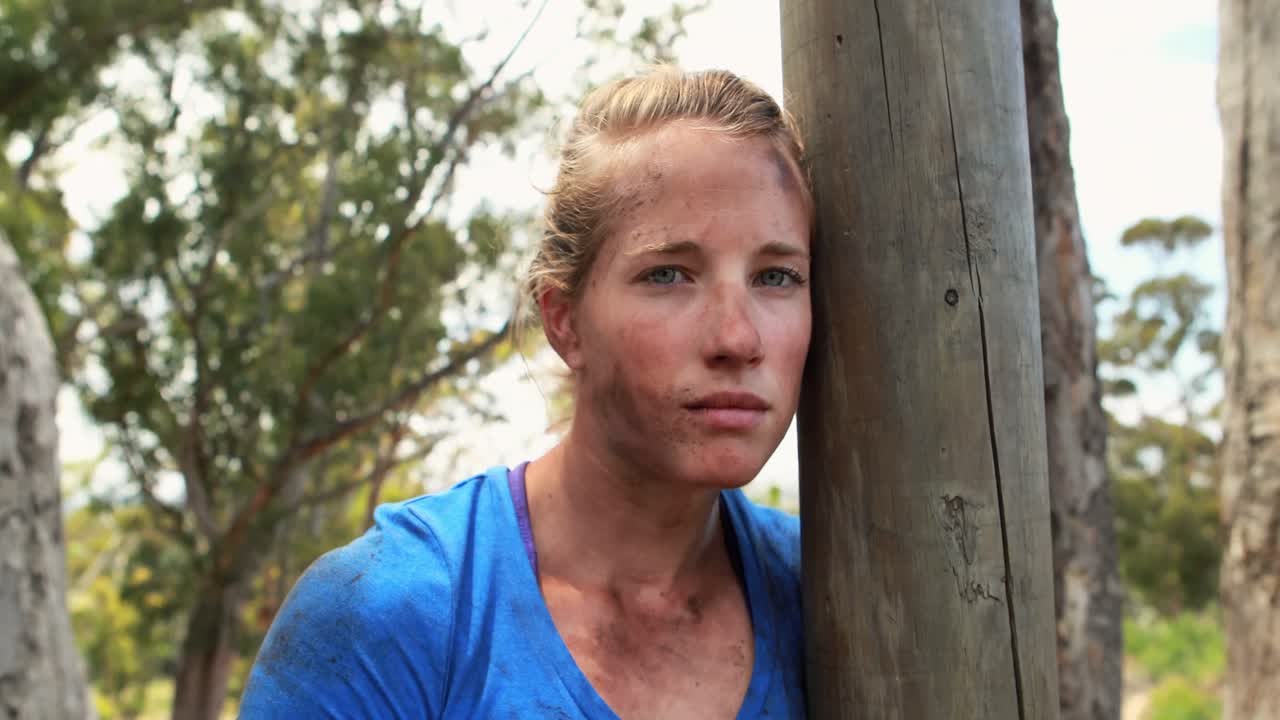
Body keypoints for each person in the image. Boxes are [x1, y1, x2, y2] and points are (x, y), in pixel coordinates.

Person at [239, 65, 813, 719]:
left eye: (776, 276)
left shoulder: (836, 600)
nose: (737, 339)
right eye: (669, 275)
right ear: (564, 321)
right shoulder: (387, 617)